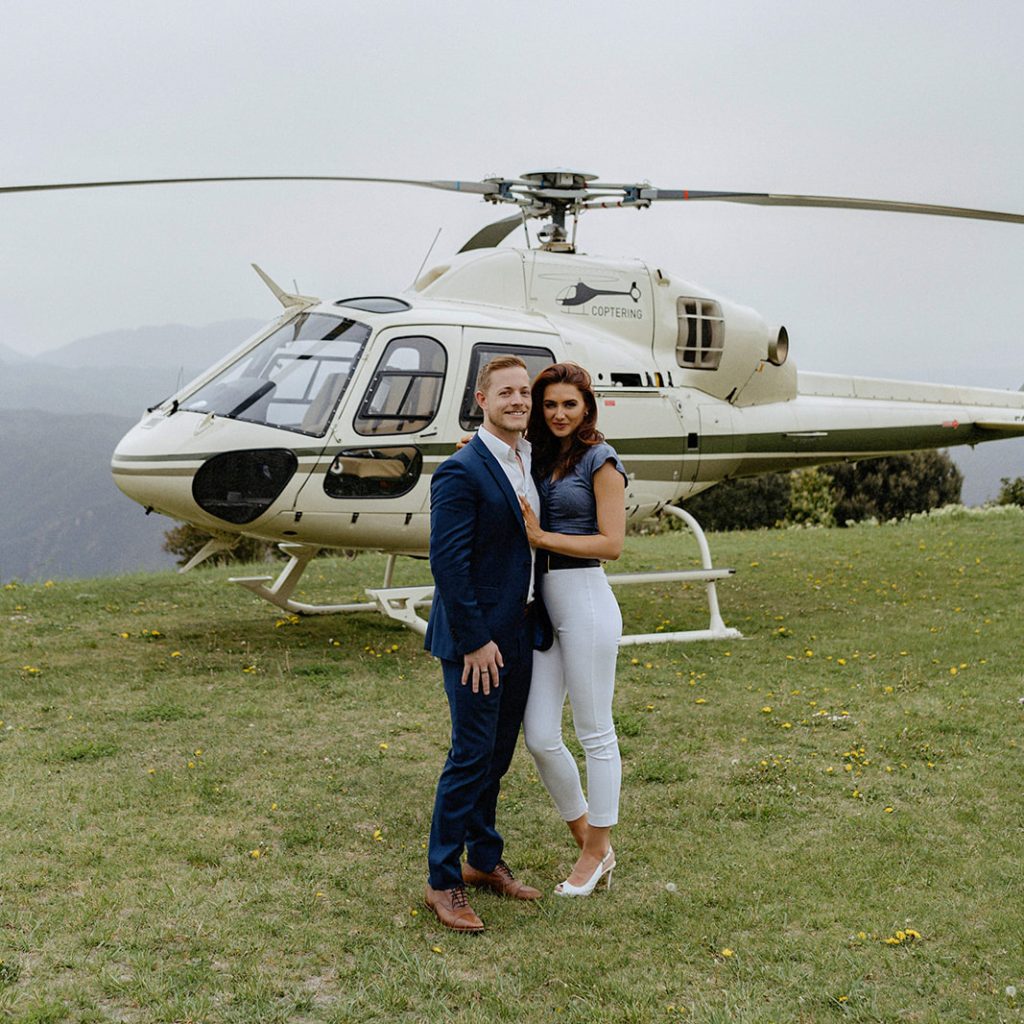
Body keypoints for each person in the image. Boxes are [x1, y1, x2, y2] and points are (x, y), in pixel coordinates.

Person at [423, 354, 545, 932]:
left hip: (519, 632)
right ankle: (442, 882)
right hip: (477, 641)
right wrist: (475, 641)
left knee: (496, 755)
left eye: (525, 392)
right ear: (482, 400)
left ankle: (483, 861)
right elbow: (447, 563)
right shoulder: (461, 470)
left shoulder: (525, 460)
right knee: (470, 755)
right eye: (507, 393)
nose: (519, 401)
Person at [518, 362, 627, 897]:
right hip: (544, 607)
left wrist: (542, 538)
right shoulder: (538, 455)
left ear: (587, 407)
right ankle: (592, 840)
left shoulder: (600, 460)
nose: (559, 414)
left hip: (585, 599)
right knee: (539, 736)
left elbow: (611, 544)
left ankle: (591, 853)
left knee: (594, 732)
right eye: (550, 404)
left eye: (569, 404)